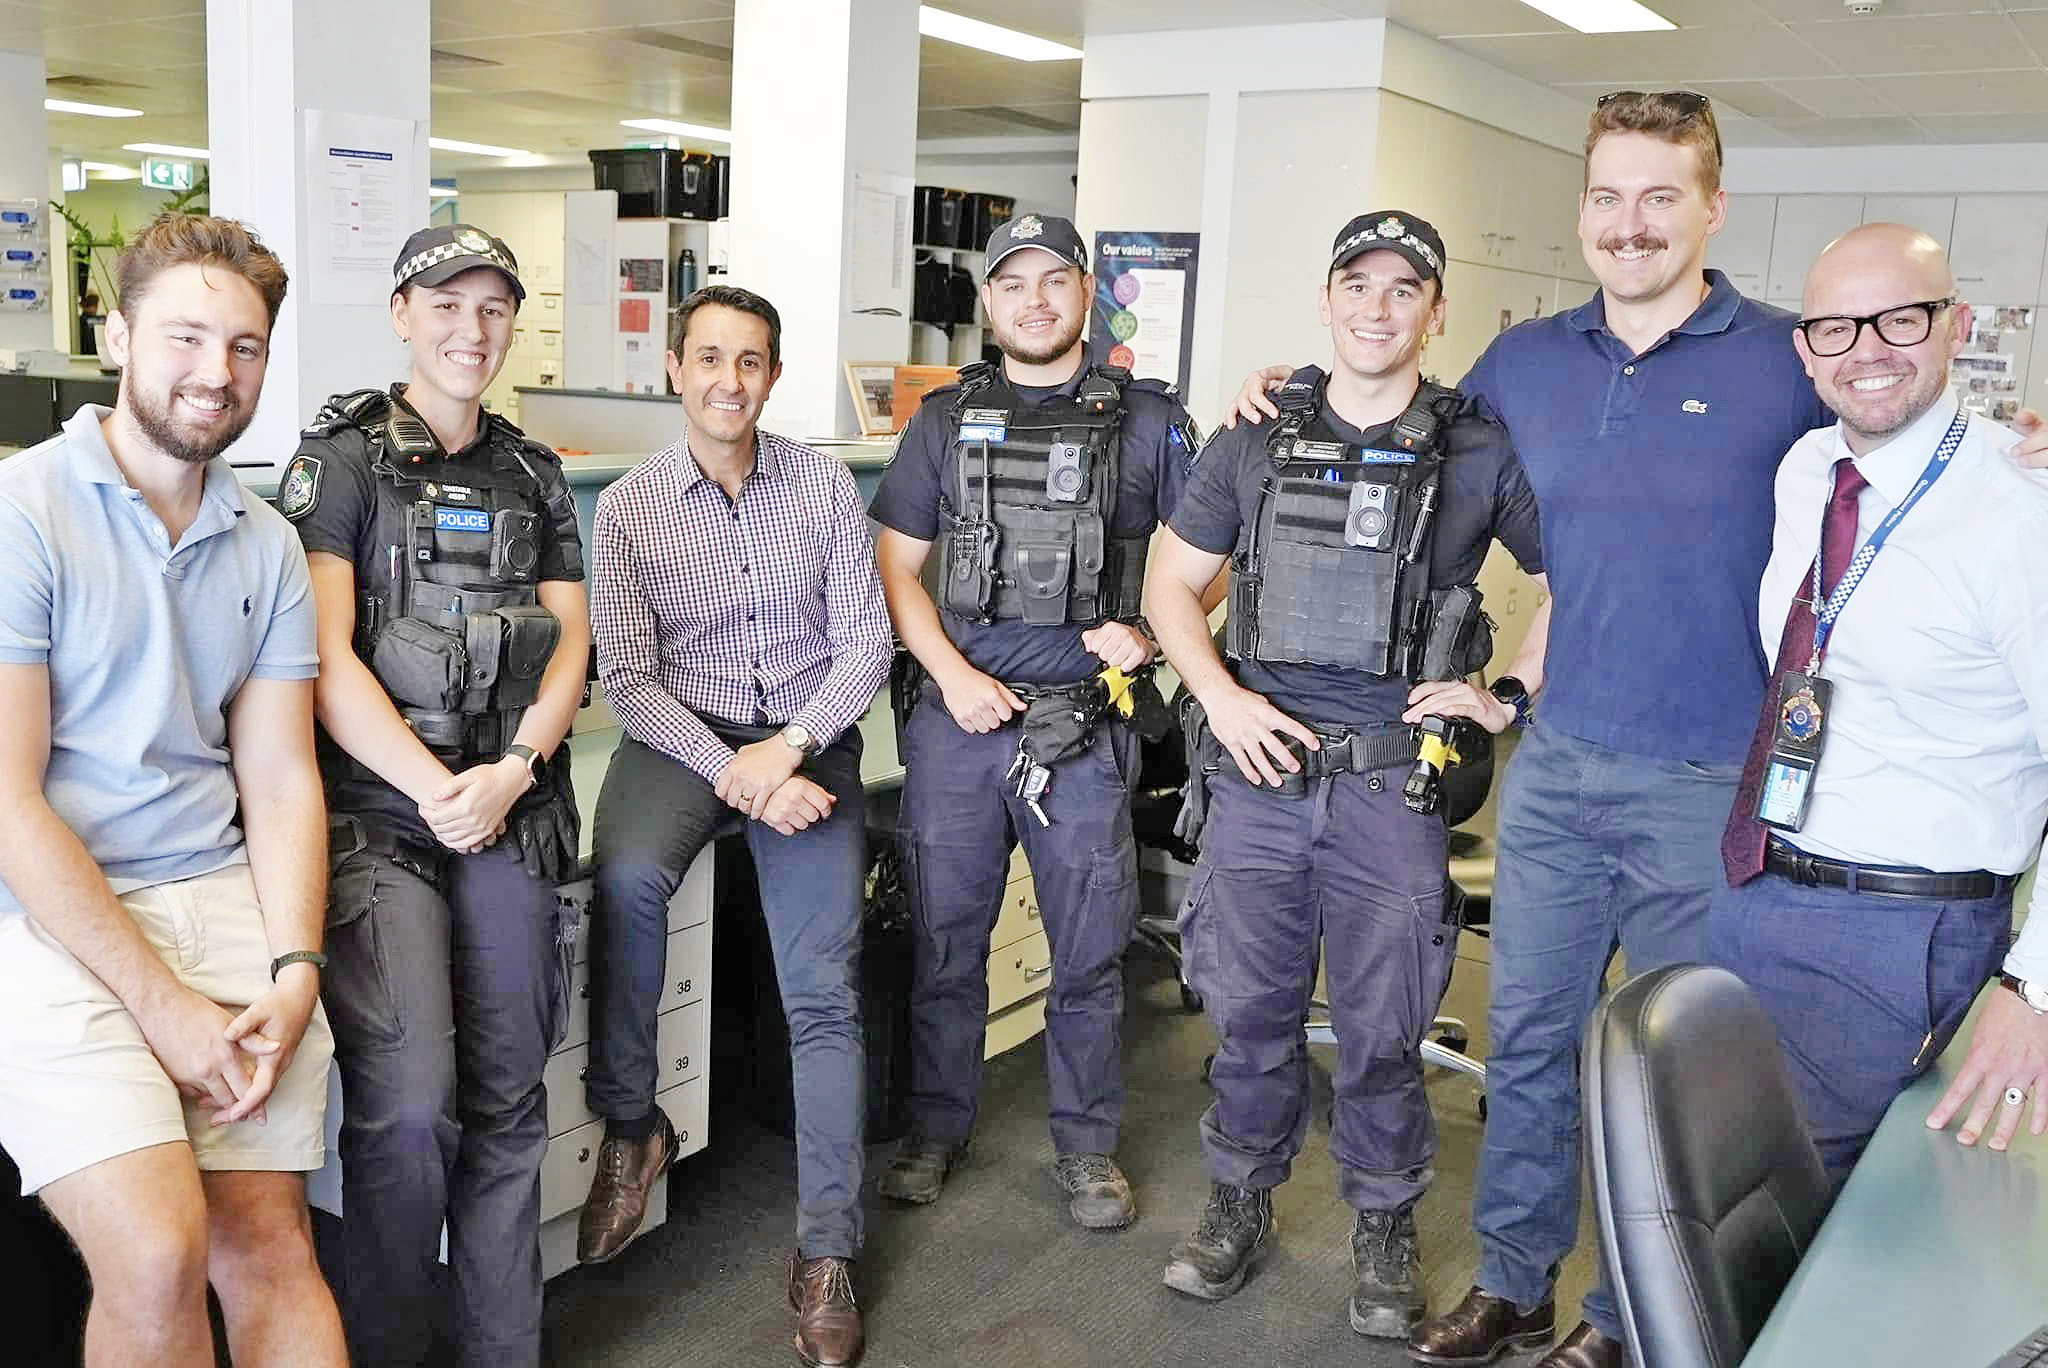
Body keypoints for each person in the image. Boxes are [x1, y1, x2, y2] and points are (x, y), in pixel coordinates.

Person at [1145, 211, 1544, 1339]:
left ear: (1434, 312)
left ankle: (1382, 1219)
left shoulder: (1476, 447)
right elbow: (1171, 586)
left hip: (1387, 789)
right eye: (1355, 285)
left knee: (1380, 1032)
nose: (1376, 308)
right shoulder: (1253, 436)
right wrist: (1219, 698)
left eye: (1401, 290)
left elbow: (1577, 577)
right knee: (1248, 1014)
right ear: (1325, 301)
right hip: (1260, 781)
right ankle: (1238, 1201)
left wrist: (1504, 695)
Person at [0, 213, 344, 1366]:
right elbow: (8, 802)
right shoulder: (23, 510)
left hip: (219, 901)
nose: (216, 373)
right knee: (155, 1251)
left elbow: (283, 776)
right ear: (117, 334)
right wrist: (165, 1010)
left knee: (266, 1242)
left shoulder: (266, 545)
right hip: (51, 922)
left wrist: (296, 971)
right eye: (186, 337)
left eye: (244, 347)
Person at [279, 224, 589, 1368]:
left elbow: (570, 643)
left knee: (510, 1102)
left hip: (507, 807)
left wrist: (510, 774)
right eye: (448, 306)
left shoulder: (532, 470)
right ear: (404, 314)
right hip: (381, 819)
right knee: (411, 1112)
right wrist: (439, 788)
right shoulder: (345, 459)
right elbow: (322, 653)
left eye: (494, 309)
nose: (473, 330)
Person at [868, 212, 1203, 1231]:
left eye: (1052, 280)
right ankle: (935, 1126)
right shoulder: (941, 419)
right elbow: (896, 568)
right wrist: (949, 674)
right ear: (989, 303)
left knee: (1090, 950)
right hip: (956, 724)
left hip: (1083, 730)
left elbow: (1208, 558)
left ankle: (1087, 1149)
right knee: (944, 938)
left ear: (1085, 290)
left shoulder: (1148, 423)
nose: (1033, 300)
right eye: (1012, 284)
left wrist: (1148, 631)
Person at [579, 284, 892, 1368]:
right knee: (622, 876)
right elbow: (626, 680)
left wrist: (788, 750)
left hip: (807, 734)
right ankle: (633, 1123)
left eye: (749, 361)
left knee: (821, 986)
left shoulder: (821, 487)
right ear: (674, 369)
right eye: (708, 358)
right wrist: (739, 772)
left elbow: (865, 647)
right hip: (683, 737)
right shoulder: (625, 509)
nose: (728, 380)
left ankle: (828, 1251)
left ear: (772, 374)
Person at [1712, 222, 2048, 1179]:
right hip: (1763, 881)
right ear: (1804, 349)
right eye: (1835, 327)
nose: (1866, 351)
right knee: (1729, 1172)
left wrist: (2036, 990)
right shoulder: (1808, 471)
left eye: (1899, 318)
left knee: (1821, 1215)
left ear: (1957, 325)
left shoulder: (2021, 513)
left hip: (1905, 927)